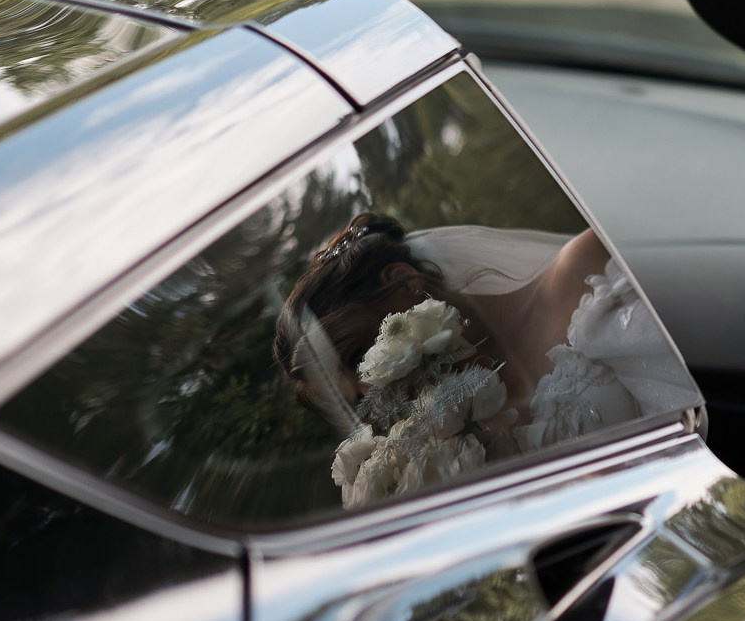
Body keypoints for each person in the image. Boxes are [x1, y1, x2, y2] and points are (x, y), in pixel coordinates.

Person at [273, 212, 694, 496]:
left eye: (357, 355)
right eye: (357, 400)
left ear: (404, 280)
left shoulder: (584, 278)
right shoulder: (452, 453)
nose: (372, 385)